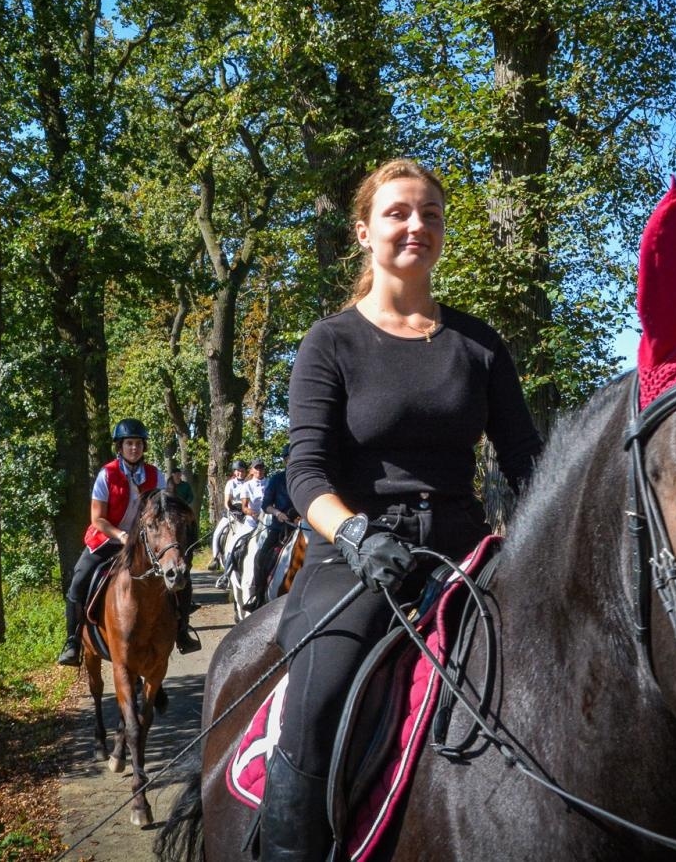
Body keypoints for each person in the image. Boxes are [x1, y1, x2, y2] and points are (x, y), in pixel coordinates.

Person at [257, 158, 544, 862]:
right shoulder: (331, 342)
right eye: (398, 213)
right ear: (364, 231)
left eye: (431, 214)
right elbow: (305, 471)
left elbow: (528, 464)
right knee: (319, 700)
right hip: (353, 558)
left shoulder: (479, 345)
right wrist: (354, 534)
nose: (417, 225)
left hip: (466, 554)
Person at [56, 419, 201, 666]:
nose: (134, 448)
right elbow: (97, 519)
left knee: (180, 577)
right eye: (129, 443)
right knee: (79, 580)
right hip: (108, 539)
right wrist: (121, 535)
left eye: (138, 443)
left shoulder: (155, 475)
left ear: (144, 446)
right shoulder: (107, 474)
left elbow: (163, 512)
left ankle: (181, 631)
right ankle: (73, 641)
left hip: (145, 542)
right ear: (120, 447)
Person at [248, 453, 298, 608]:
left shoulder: (307, 476)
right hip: (281, 527)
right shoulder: (277, 479)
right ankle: (259, 597)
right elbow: (266, 505)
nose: (293, 459)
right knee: (260, 558)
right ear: (285, 460)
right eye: (289, 457)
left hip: (305, 526)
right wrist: (278, 513)